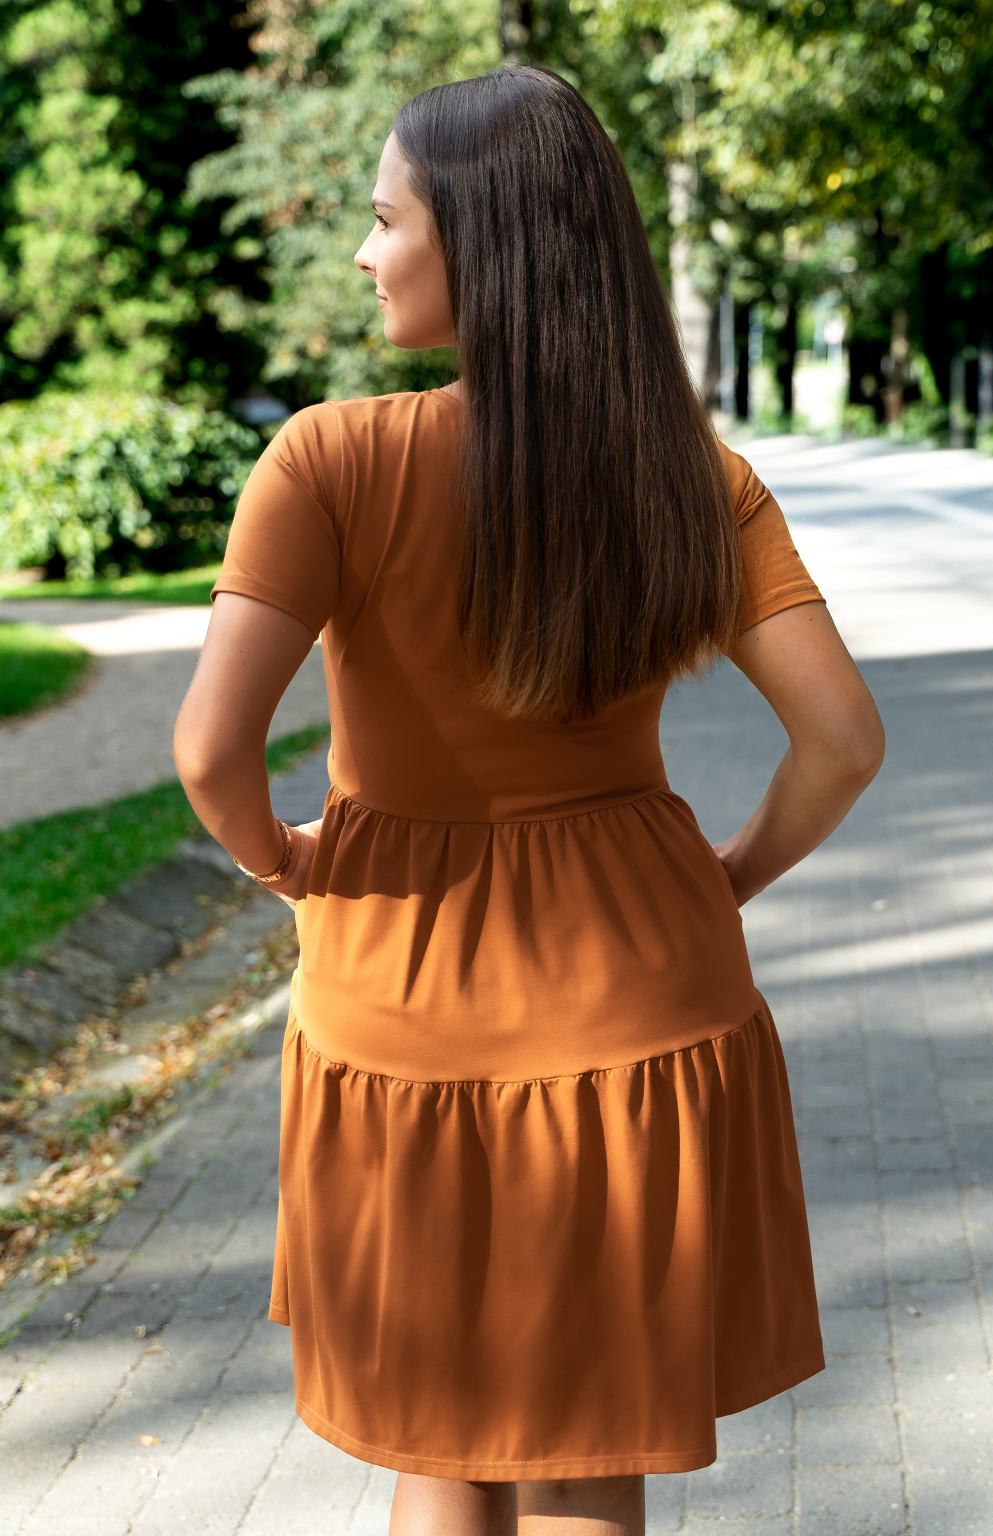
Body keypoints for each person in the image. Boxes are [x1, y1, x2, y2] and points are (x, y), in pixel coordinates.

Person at [174, 66, 884, 1536]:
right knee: (587, 1445)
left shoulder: (330, 460)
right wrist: (726, 877)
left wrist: (287, 865)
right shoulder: (691, 479)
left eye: (386, 220)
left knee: (440, 1446)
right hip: (641, 997)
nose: (363, 253)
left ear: (478, 241)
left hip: (398, 1003)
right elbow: (843, 740)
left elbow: (208, 755)